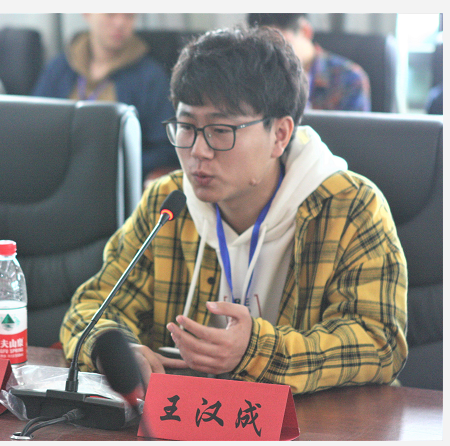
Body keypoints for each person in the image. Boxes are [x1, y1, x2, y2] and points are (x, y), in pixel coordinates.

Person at [59, 27, 407, 395]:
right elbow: (92, 307)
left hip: (311, 421)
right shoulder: (169, 202)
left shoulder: (350, 207)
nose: (198, 151)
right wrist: (121, 353)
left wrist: (256, 352)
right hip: (186, 417)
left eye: (220, 130)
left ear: (280, 135)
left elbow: (380, 342)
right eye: (186, 126)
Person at [32, 13, 179, 185]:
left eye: (129, 16)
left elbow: (166, 147)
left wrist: (117, 166)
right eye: (110, 14)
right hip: (57, 175)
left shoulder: (150, 77)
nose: (120, 23)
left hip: (114, 181)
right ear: (87, 13)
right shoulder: (60, 67)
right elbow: (34, 126)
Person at [247, 13, 371, 112]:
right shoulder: (256, 75)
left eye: (281, 46)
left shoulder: (349, 78)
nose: (274, 56)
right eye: (264, 48)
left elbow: (354, 134)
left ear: (306, 31)